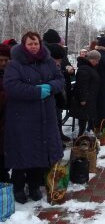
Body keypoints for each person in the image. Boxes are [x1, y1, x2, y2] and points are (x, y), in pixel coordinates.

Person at [4, 31, 65, 203]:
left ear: (40, 44)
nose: (33, 47)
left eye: (36, 43)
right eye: (30, 44)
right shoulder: (15, 64)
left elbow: (60, 80)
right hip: (22, 117)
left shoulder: (48, 62)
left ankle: (33, 186)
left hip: (45, 116)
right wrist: (36, 91)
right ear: (24, 45)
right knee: (22, 153)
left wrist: (50, 86)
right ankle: (18, 188)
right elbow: (11, 86)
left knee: (40, 152)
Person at [70, 50, 101, 136]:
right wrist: (83, 99)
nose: (97, 62)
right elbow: (82, 85)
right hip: (85, 98)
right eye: (97, 60)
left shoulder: (89, 67)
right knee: (83, 118)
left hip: (90, 97)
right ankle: (80, 137)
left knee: (86, 116)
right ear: (92, 59)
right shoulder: (85, 69)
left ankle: (84, 134)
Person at [0, 44, 11, 182]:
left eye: (6, 60)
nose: (3, 63)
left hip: (9, 120)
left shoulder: (11, 73)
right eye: (0, 60)